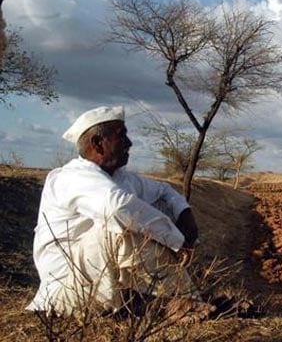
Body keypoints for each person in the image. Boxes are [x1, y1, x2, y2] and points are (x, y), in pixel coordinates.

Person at [27, 106, 214, 320]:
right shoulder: (71, 178)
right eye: (121, 135)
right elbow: (118, 208)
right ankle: (173, 302)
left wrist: (184, 214)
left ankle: (183, 299)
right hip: (68, 290)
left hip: (102, 281)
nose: (129, 142)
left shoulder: (121, 178)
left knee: (157, 210)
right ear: (98, 143)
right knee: (122, 224)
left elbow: (163, 191)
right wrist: (178, 241)